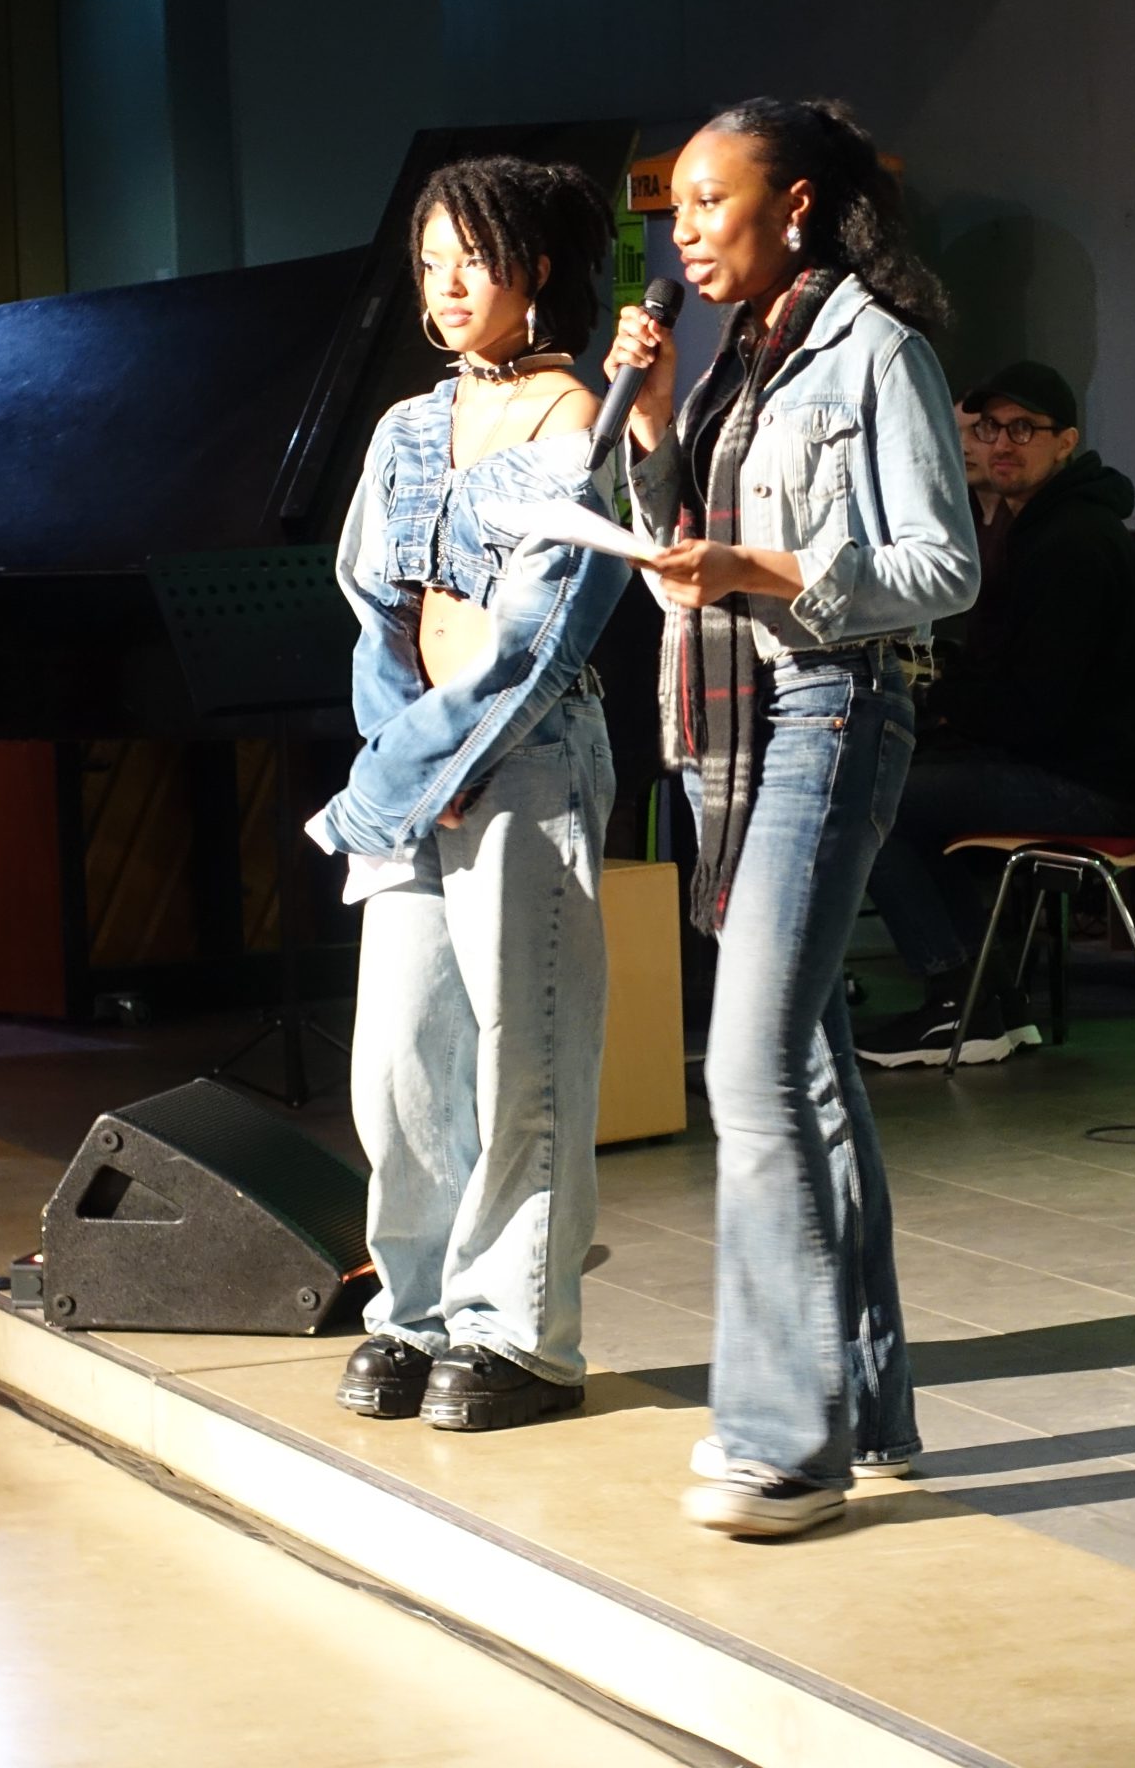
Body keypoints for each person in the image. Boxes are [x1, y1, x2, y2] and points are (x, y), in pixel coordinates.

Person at [607, 97, 976, 1537]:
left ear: (798, 204)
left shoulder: (876, 348)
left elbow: (943, 566)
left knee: (750, 1065)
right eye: (677, 209)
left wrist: (763, 569)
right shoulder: (731, 359)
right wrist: (651, 421)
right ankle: (869, 1416)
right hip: (732, 725)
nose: (685, 234)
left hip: (831, 708)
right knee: (808, 1069)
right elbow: (677, 545)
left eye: (711, 202)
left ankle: (782, 1447)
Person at [308, 156, 628, 1434]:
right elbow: (371, 612)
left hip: (529, 758)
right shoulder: (406, 426)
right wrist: (403, 758)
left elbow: (544, 638)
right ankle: (418, 1310)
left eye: (471, 262)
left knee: (525, 1055)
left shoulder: (577, 420)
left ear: (536, 270)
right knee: (398, 1060)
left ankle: (521, 1336)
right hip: (414, 771)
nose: (443, 288)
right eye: (429, 263)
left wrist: (431, 766)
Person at [855, 362, 1135, 1068]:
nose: (1001, 444)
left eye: (1023, 429)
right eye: (991, 427)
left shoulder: (1071, 543)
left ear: (1066, 443)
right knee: (901, 786)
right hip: (1078, 766)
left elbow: (1035, 712)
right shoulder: (1046, 527)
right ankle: (991, 1003)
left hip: (1090, 786)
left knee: (872, 800)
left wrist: (938, 699)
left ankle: (954, 1002)